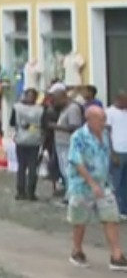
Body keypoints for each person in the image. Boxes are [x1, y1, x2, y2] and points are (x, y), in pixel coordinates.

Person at [66, 105, 127, 269]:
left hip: (104, 184)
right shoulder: (78, 137)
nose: (104, 122)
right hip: (82, 185)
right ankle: (77, 250)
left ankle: (116, 255)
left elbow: (106, 152)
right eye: (101, 119)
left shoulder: (105, 135)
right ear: (90, 119)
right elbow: (76, 161)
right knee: (80, 220)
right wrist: (91, 183)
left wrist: (113, 159)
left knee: (111, 217)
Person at [11, 88, 44, 201]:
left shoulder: (17, 108)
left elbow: (12, 122)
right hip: (35, 140)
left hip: (21, 139)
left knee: (21, 166)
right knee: (33, 167)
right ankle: (31, 192)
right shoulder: (40, 110)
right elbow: (44, 125)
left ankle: (21, 192)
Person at [54, 88, 85, 202]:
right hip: (61, 143)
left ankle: (73, 195)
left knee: (69, 171)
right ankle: (69, 193)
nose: (55, 103)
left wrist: (56, 127)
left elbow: (75, 127)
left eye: (56, 100)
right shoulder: (64, 109)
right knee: (64, 170)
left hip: (68, 143)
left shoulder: (73, 109)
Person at [107, 92, 127, 220]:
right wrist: (112, 152)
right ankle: (115, 209)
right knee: (116, 182)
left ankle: (124, 209)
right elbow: (106, 133)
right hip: (117, 151)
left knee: (125, 182)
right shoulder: (110, 112)